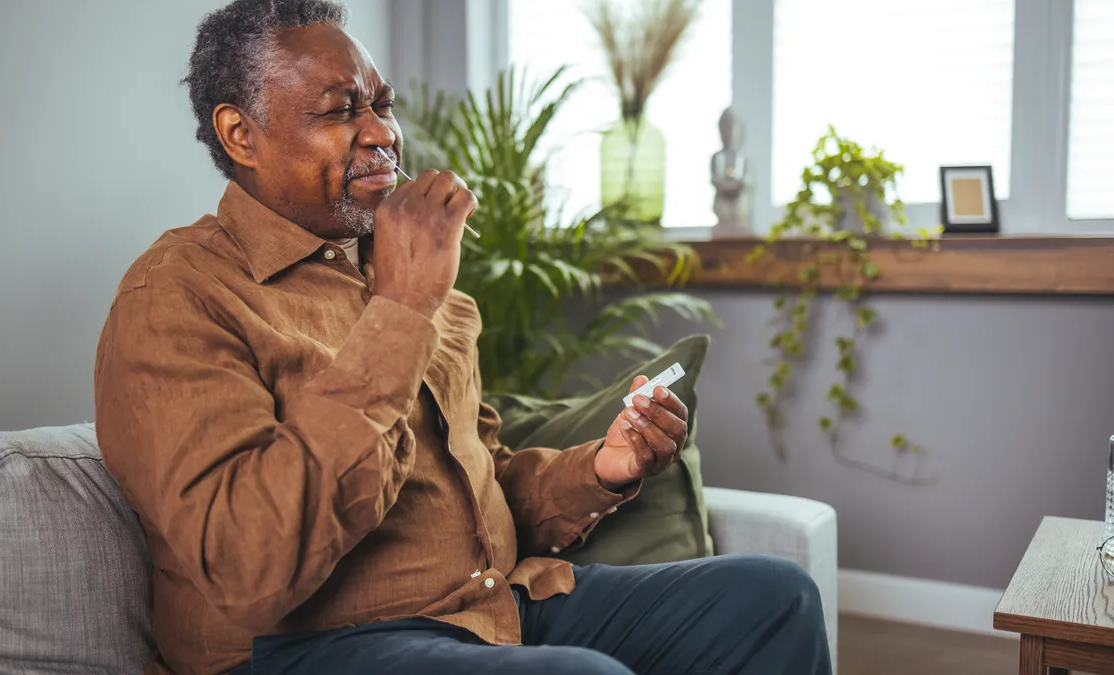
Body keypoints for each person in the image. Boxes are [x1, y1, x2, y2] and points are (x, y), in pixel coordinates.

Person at [93, 2, 832, 674]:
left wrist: (603, 468)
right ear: (240, 134)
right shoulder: (178, 296)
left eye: (380, 104)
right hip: (303, 647)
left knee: (775, 597)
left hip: (485, 609)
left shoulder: (421, 285)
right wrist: (402, 313)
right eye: (341, 110)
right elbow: (245, 563)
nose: (382, 132)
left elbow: (481, 489)